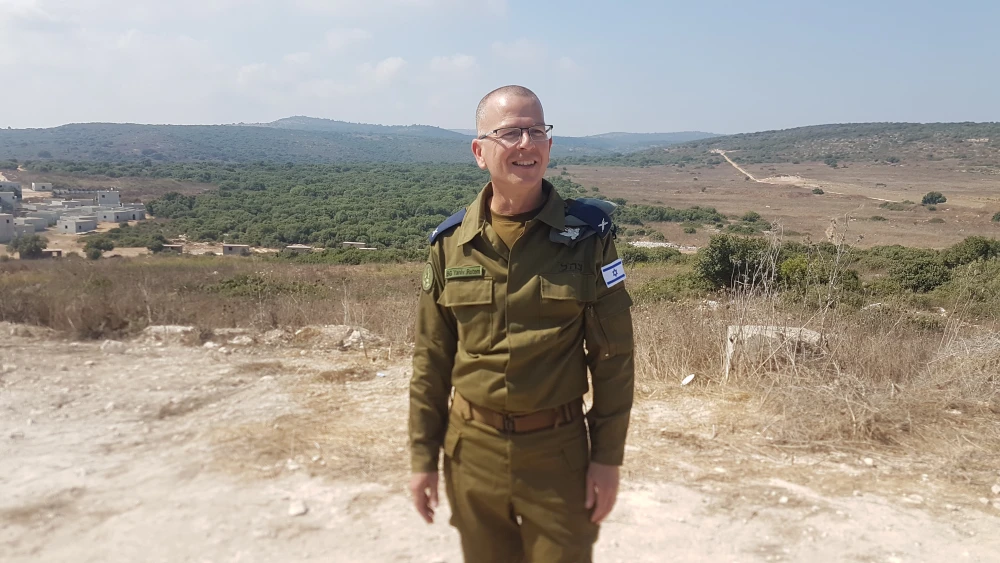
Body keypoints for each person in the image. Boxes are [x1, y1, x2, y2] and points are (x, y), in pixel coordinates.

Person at [408, 85, 635, 562]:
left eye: (537, 131)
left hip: (558, 452)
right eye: (510, 132)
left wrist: (607, 457)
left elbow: (613, 358)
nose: (526, 143)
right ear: (479, 152)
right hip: (472, 450)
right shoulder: (451, 244)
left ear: (550, 146)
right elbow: (431, 359)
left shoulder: (588, 238)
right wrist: (422, 457)